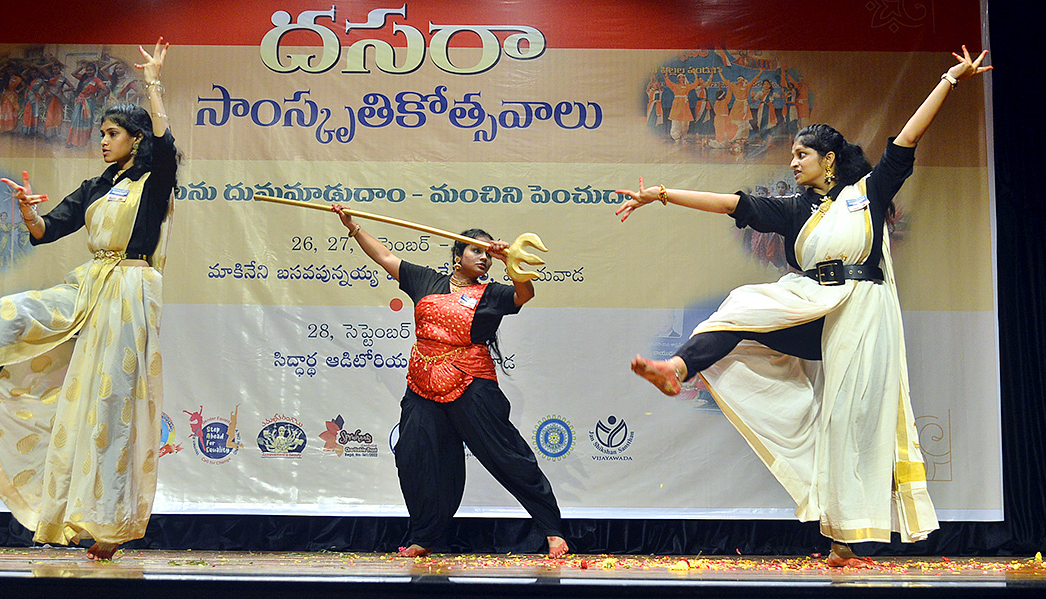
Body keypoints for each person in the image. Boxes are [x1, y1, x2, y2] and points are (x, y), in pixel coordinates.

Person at [613, 46, 990, 567]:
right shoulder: (793, 209)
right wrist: (659, 194)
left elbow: (906, 139)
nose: (791, 163)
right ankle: (676, 368)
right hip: (812, 308)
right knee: (741, 307)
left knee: (847, 425)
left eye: (800, 155)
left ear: (827, 159)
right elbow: (732, 204)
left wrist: (949, 80)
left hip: (861, 313)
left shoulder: (868, 193)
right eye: (791, 155)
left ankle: (840, 540)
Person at [0, 38, 177, 561]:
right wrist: (27, 211)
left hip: (128, 292)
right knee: (11, 312)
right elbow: (48, 229)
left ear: (136, 138)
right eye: (101, 132)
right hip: (89, 284)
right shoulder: (99, 186)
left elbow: (168, 146)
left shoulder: (154, 179)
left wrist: (152, 84)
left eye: (112, 133)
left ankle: (107, 528)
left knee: (108, 411)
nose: (102, 141)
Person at [332, 205, 569, 558]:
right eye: (477, 250)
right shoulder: (425, 280)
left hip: (471, 384)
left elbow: (525, 295)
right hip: (422, 383)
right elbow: (383, 255)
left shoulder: (491, 293)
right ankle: (424, 536)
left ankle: (552, 530)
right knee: (416, 457)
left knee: (506, 456)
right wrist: (352, 226)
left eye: (488, 253)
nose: (484, 258)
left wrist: (510, 263)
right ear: (457, 256)